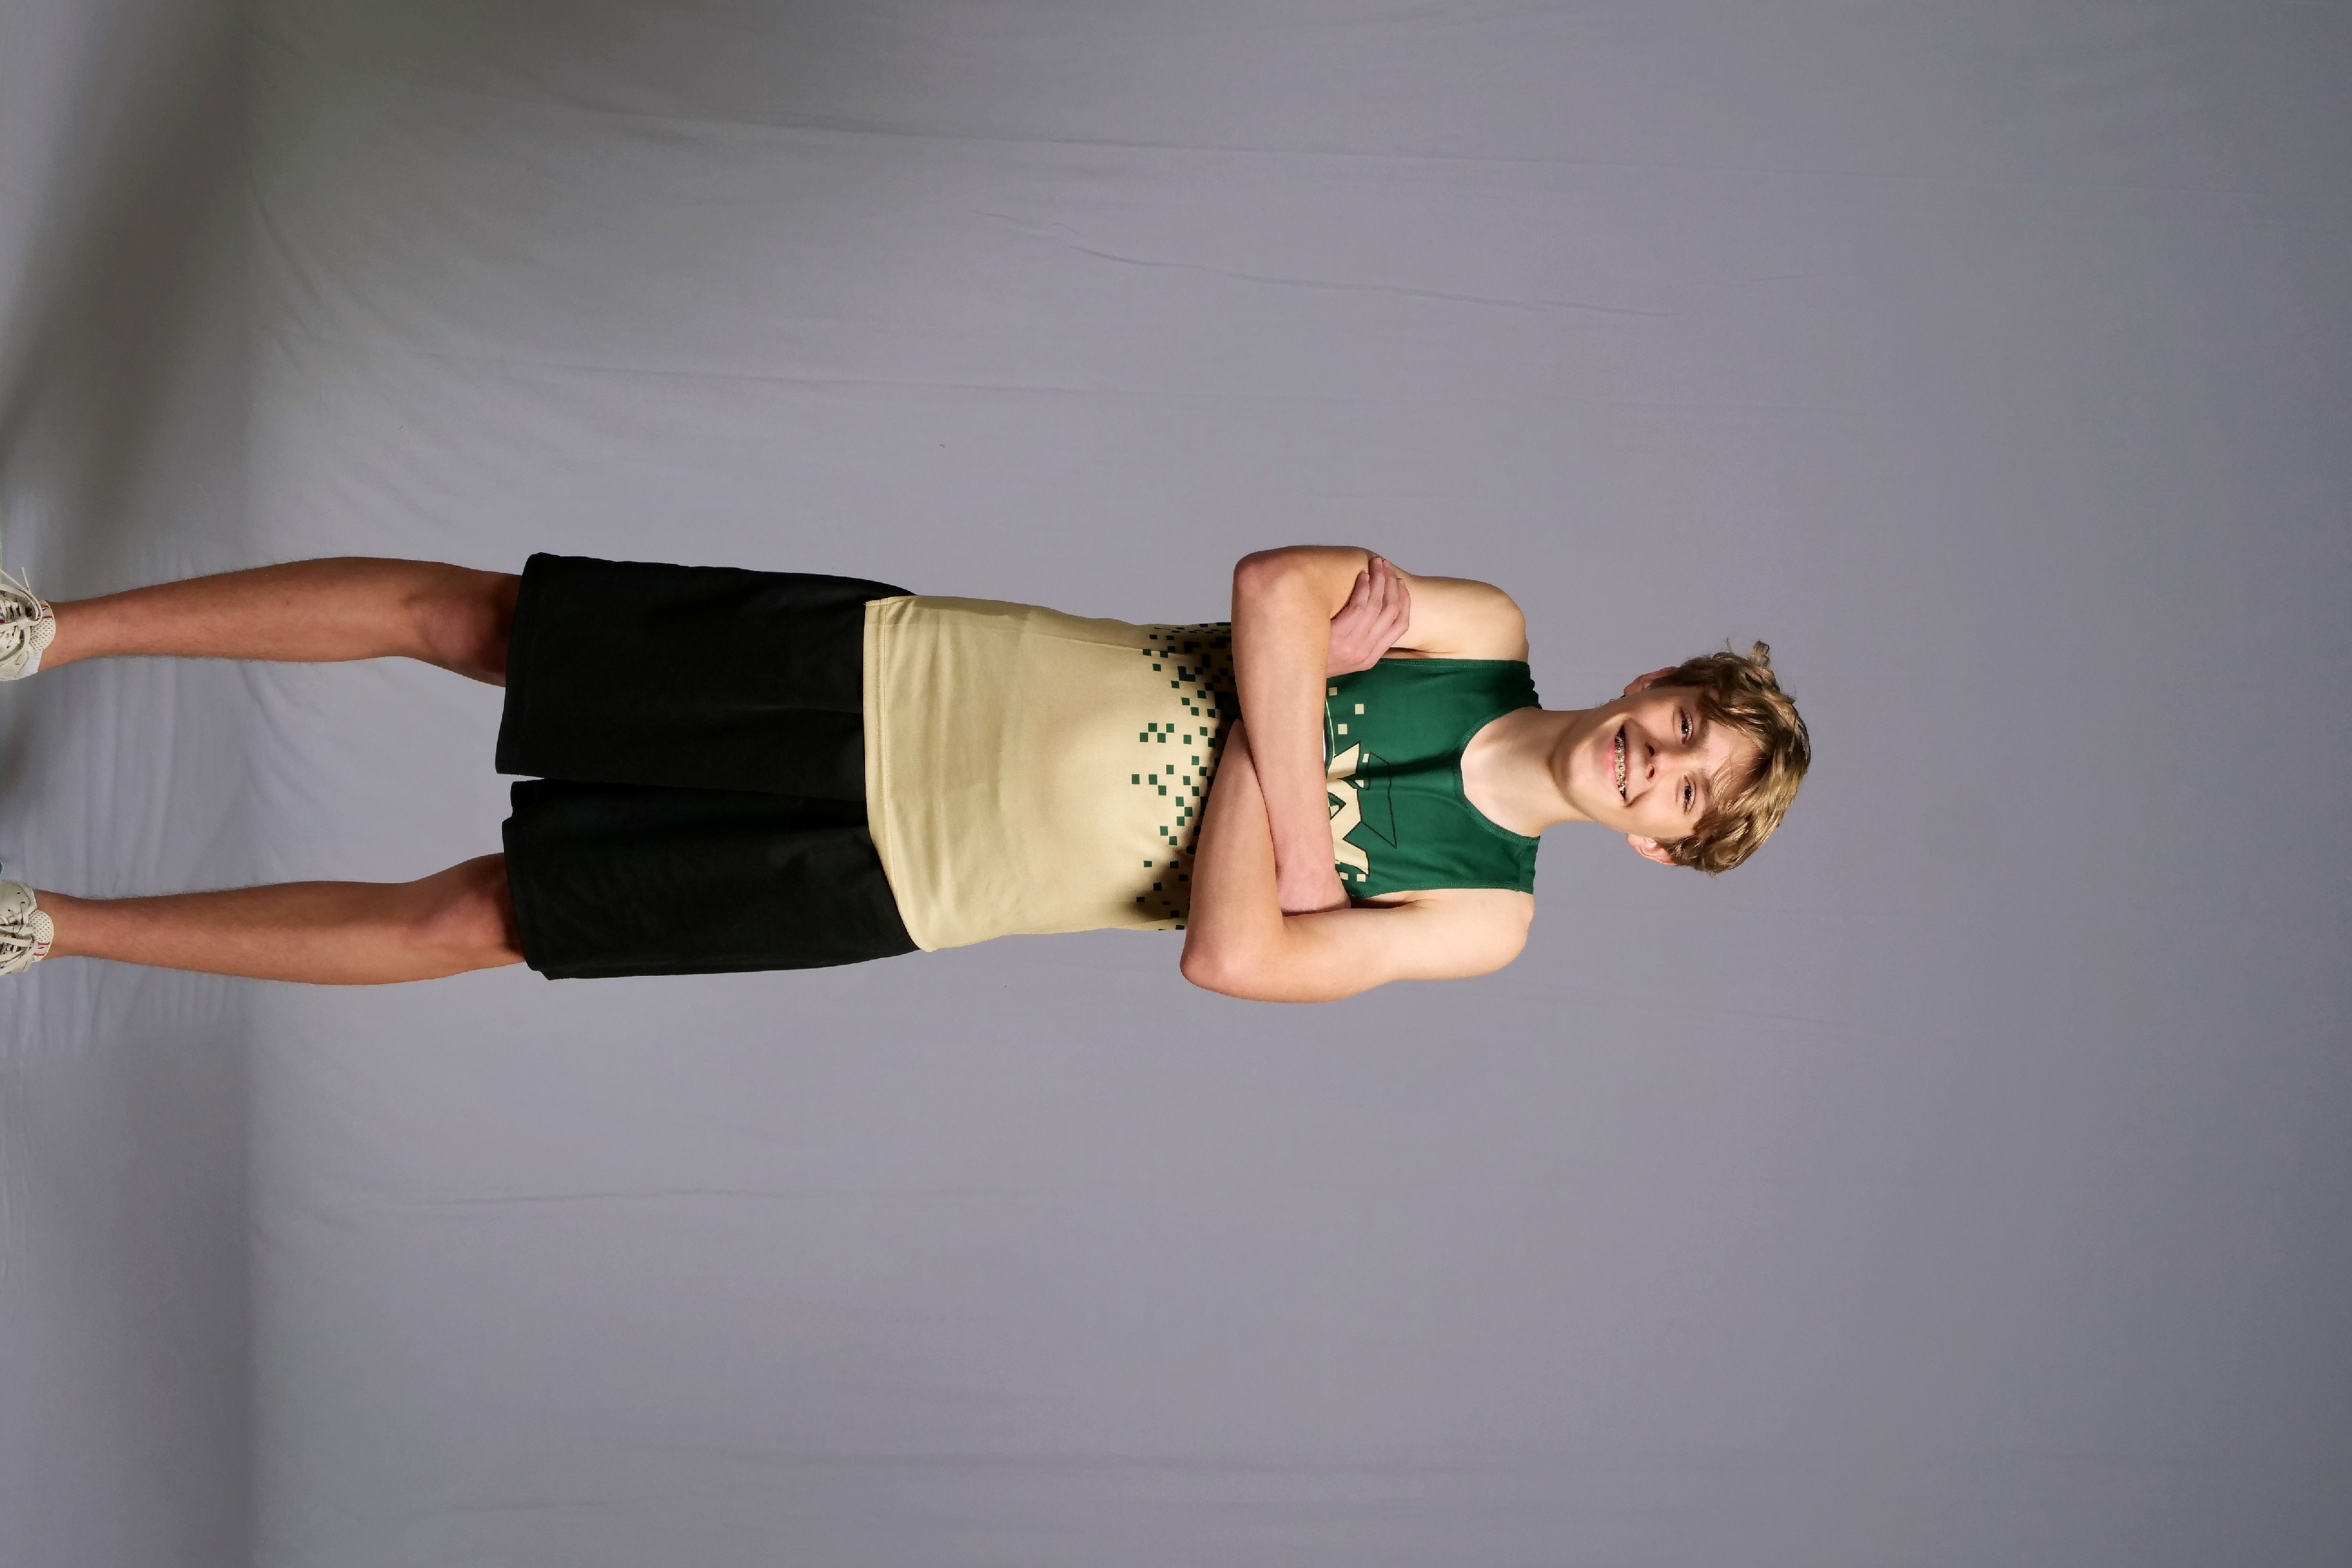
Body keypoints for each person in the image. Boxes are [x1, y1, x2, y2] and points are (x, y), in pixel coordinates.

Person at [0, 547, 1808, 1001]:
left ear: (1661, 850)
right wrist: (1294, 829)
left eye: (1680, 795)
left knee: (478, 920)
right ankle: (48, 629)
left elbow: (1232, 957)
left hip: (915, 885)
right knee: (479, 619)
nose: (1652, 765)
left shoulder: (1485, 920)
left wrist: (1294, 712)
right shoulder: (1481, 627)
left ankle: (47, 925)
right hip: (908, 670)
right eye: (1677, 730)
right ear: (1652, 683)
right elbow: (1272, 585)